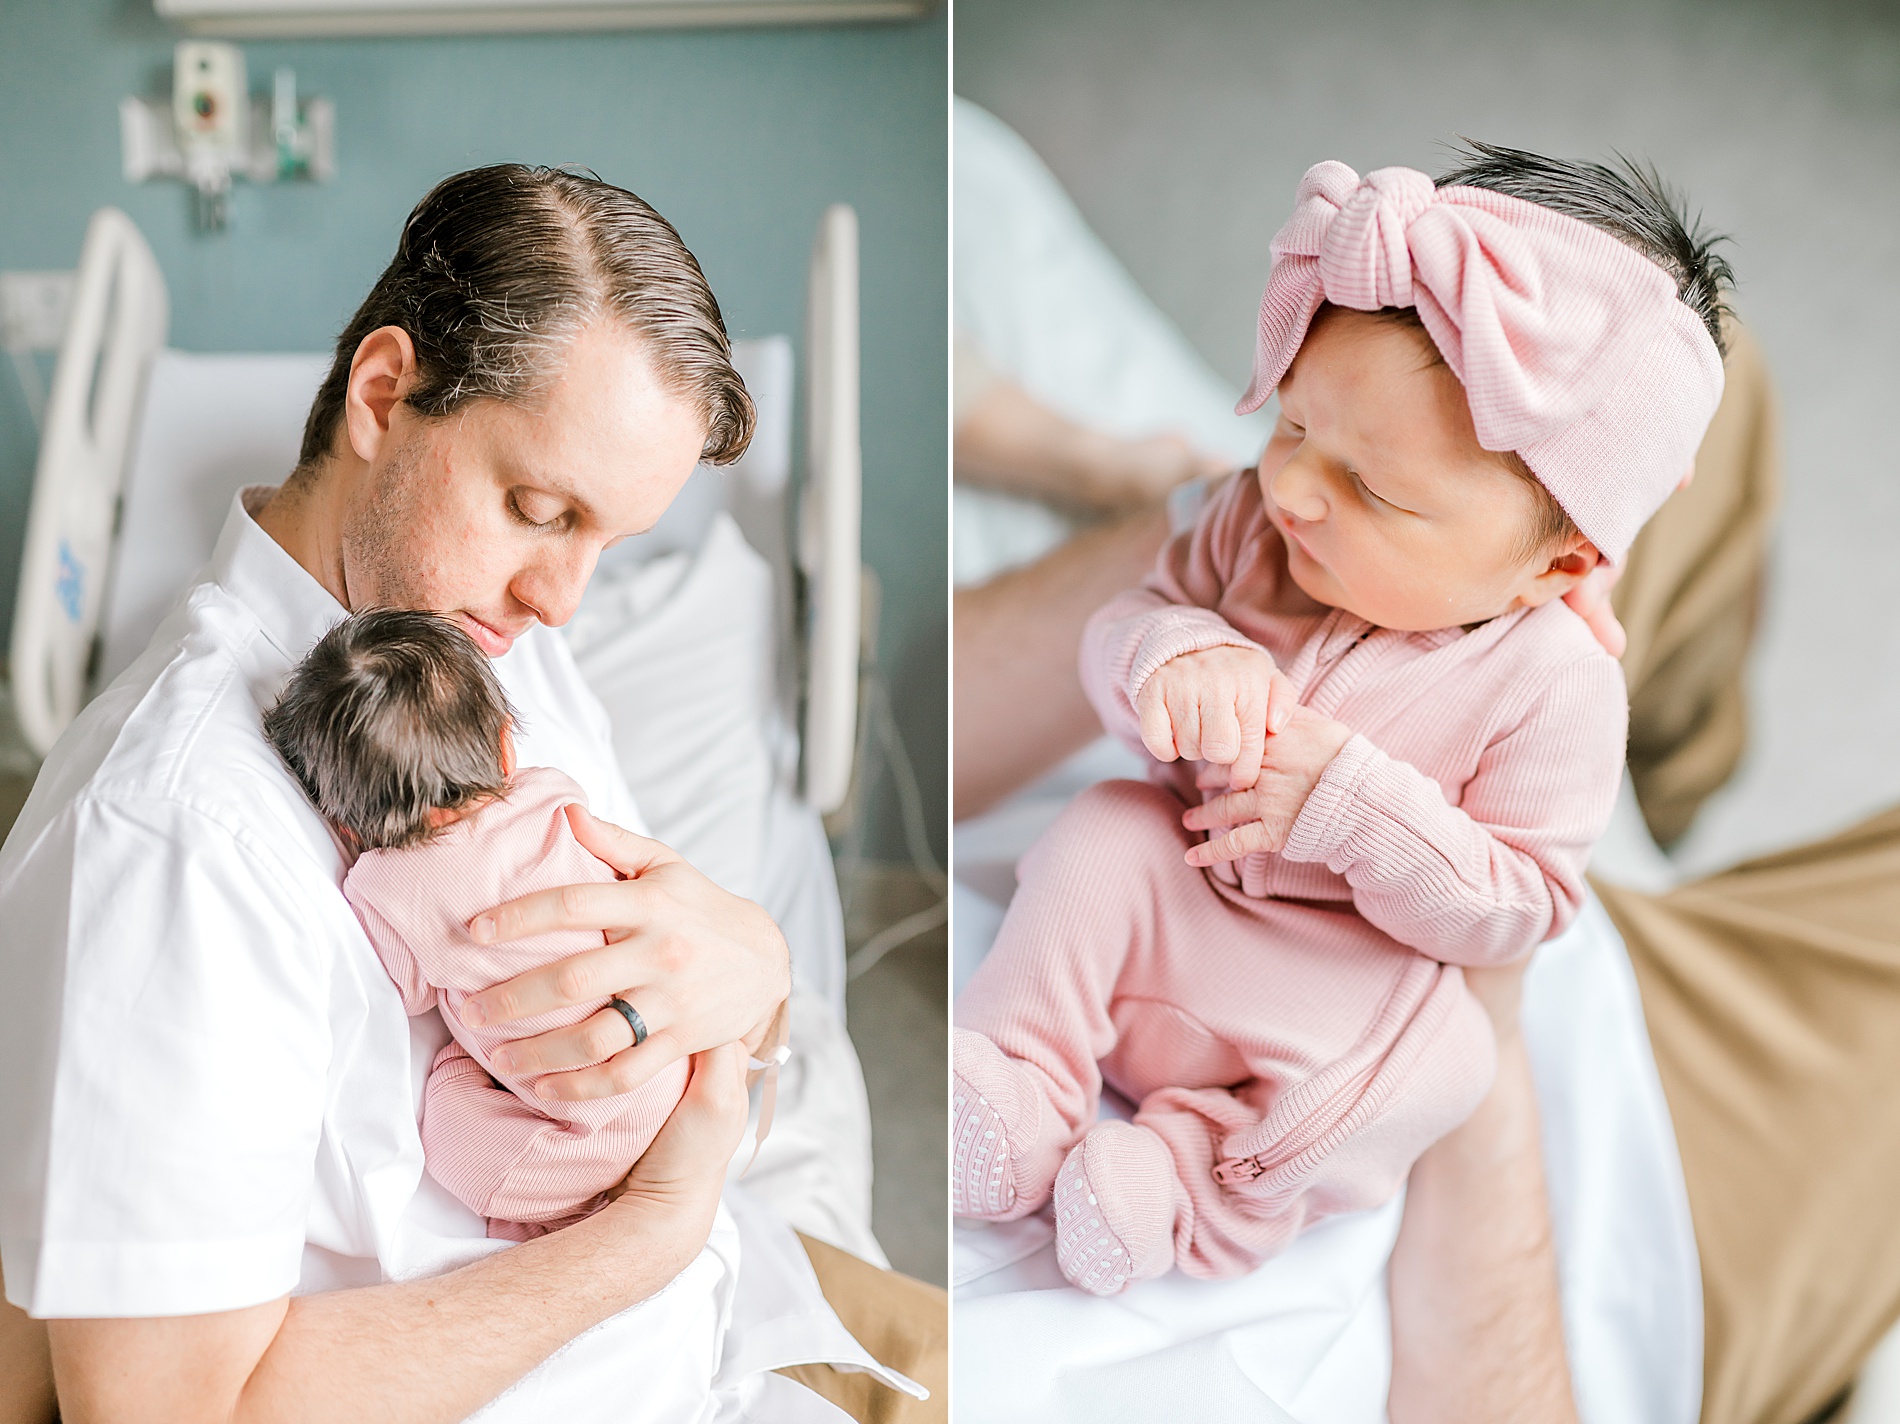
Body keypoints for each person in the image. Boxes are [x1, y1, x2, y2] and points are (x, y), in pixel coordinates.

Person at [953, 153, 1900, 1424]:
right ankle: (1020, 1079)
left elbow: (1517, 908)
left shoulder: (1555, 683)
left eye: (1363, 481)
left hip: (1374, 983)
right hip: (1592, 1190)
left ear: (1556, 568)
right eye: (1288, 422)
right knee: (1104, 834)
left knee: (1704, 357)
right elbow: (1143, 613)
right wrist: (1174, 649)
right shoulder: (1256, 527)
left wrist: (1346, 803)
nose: (1283, 486)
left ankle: (1187, 1182)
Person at [0, 165, 942, 1424]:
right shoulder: (181, 838)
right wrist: (647, 1235)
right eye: (538, 509)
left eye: (606, 540)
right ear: (383, 396)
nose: (562, 597)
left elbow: (671, 958)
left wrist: (757, 963)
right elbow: (174, 1411)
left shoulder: (486, 635)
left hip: (735, 1305)